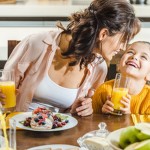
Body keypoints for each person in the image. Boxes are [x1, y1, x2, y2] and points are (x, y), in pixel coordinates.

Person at [0, 0, 140, 116]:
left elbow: (74, 116)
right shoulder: (36, 44)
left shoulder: (99, 68)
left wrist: (82, 109)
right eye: (123, 40)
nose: (123, 47)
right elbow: (5, 89)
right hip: (18, 130)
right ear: (103, 34)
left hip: (59, 137)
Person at [92, 41, 150, 115]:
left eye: (143, 57)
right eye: (130, 52)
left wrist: (129, 116)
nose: (134, 57)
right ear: (119, 65)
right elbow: (91, 120)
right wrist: (103, 114)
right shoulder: (103, 90)